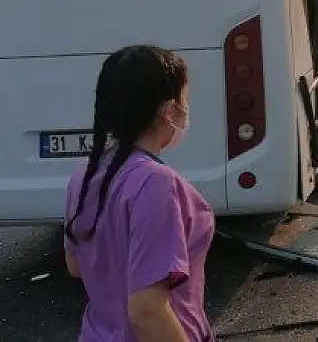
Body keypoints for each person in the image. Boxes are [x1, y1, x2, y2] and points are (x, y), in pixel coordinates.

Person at [64, 45, 214, 341]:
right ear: (169, 112)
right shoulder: (157, 183)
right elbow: (147, 311)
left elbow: (76, 266)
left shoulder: (86, 173)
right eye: (185, 99)